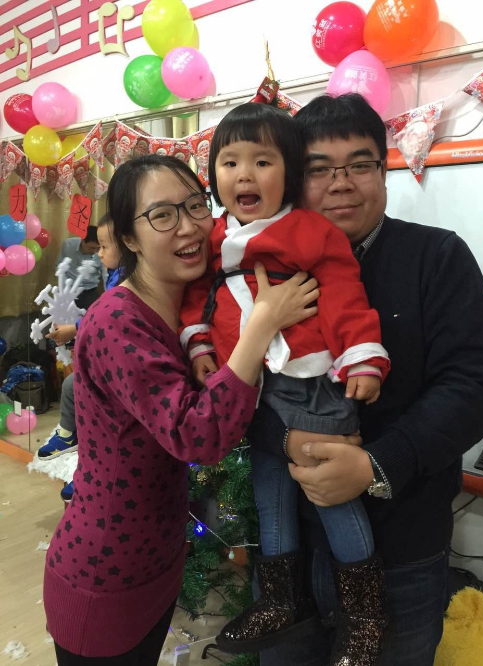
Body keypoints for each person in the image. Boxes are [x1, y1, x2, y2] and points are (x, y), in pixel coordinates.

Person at [247, 93, 483, 666]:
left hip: (402, 552)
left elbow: (474, 384)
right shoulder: (265, 270)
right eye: (319, 169)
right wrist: (284, 440)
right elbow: (238, 382)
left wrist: (376, 465)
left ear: (383, 170)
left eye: (359, 164)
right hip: (290, 548)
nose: (341, 184)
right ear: (295, 180)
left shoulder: (436, 256)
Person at [43, 154, 319, 666]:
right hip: (103, 575)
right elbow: (198, 435)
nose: (189, 226)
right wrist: (261, 326)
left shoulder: (186, 307)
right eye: (162, 215)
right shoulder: (117, 320)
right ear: (128, 238)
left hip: (158, 559)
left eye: (195, 205)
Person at [179, 102, 390, 661]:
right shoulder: (214, 236)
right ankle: (279, 598)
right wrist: (199, 343)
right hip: (250, 384)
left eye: (262, 161)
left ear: (289, 173)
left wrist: (361, 356)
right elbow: (197, 297)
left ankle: (365, 616)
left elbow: (343, 291)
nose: (244, 175)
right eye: (230, 162)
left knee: (331, 496)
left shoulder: (309, 230)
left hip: (308, 381)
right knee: (268, 491)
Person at [39, 215, 124, 507]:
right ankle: (73, 443)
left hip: (119, 371)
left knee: (88, 405)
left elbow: (107, 316)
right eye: (97, 247)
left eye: (104, 247)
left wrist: (76, 329)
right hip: (106, 359)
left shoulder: (129, 282)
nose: (98, 254)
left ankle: (92, 471)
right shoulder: (115, 275)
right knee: (72, 387)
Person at [56, 227, 106, 311]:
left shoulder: (102, 252)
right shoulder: (68, 245)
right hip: (69, 289)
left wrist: (109, 294)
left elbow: (106, 275)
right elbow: (60, 267)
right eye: (91, 248)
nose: (94, 251)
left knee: (92, 315)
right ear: (82, 241)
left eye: (97, 248)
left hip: (90, 290)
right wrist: (64, 290)